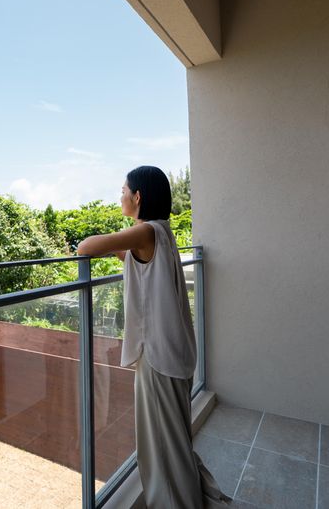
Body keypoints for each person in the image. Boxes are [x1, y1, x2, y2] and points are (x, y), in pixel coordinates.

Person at [77, 166, 231, 509]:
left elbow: (85, 247)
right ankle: (193, 496)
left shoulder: (146, 231)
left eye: (123, 191)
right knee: (173, 439)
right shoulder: (161, 232)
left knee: (162, 444)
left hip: (158, 354)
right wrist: (122, 246)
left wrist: (114, 240)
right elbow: (134, 258)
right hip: (174, 350)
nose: (120, 197)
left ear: (138, 197)